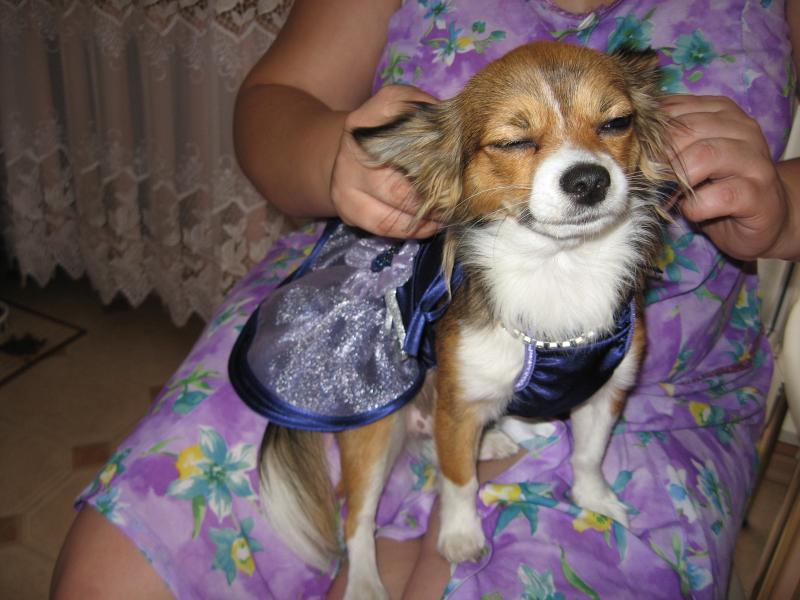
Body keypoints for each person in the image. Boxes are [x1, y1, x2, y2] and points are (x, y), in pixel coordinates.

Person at [52, 0, 800, 598]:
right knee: (107, 580)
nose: (582, 159)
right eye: (518, 141)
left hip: (668, 377)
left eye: (612, 124)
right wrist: (329, 153)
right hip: (363, 302)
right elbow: (275, 102)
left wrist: (786, 205)